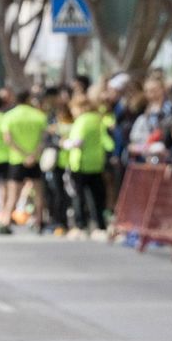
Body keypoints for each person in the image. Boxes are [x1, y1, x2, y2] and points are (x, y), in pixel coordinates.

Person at [0, 89, 48, 233]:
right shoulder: (39, 116)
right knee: (39, 192)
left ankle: (6, 222)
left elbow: (7, 139)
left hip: (17, 160)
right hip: (35, 159)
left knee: (13, 194)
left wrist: (23, 154)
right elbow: (43, 139)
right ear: (28, 99)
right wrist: (33, 155)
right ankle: (39, 221)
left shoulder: (9, 116)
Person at [63, 94, 110, 236]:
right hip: (97, 163)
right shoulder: (98, 120)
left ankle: (80, 226)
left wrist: (65, 143)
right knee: (97, 197)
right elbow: (107, 141)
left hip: (80, 163)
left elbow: (78, 142)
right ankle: (100, 226)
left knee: (78, 196)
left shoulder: (82, 121)